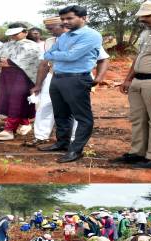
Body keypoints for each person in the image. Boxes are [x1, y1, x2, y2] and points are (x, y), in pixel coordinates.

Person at [26, 16, 109, 147]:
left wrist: (99, 78)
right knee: (45, 107)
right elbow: (44, 64)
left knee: (76, 110)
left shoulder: (85, 39)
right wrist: (38, 85)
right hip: (54, 77)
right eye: (47, 29)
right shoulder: (49, 41)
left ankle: (75, 140)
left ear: (63, 26)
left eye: (51, 28)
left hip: (77, 78)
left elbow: (103, 59)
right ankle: (41, 136)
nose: (49, 31)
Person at [40, 6, 103, 163]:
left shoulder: (91, 35)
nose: (65, 22)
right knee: (61, 113)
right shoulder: (64, 36)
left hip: (77, 79)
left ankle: (76, 150)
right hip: (58, 78)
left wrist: (56, 55)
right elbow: (46, 55)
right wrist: (58, 55)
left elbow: (71, 56)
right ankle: (62, 143)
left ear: (83, 18)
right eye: (62, 19)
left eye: (69, 18)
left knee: (83, 117)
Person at [115, 0, 151, 169]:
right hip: (137, 81)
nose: (143, 19)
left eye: (148, 15)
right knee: (138, 119)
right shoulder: (146, 33)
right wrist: (128, 78)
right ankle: (137, 153)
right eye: (142, 16)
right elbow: (138, 57)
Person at [0, 23, 40, 141]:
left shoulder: (32, 46)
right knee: (7, 99)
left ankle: (9, 129)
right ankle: (24, 122)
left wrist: (9, 62)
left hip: (23, 76)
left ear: (25, 32)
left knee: (17, 100)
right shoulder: (5, 45)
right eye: (12, 34)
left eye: (16, 33)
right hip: (6, 76)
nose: (14, 36)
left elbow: (29, 61)